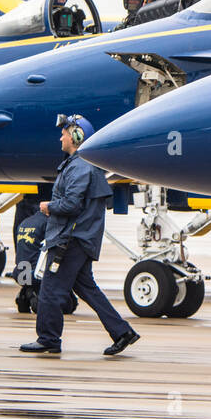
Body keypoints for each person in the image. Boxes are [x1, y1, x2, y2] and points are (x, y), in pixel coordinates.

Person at [20, 115, 140, 356]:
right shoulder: (82, 165)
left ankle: (48, 339)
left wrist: (48, 206)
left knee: (50, 290)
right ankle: (122, 332)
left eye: (64, 133)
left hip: (69, 240)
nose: (60, 138)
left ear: (76, 136)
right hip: (79, 239)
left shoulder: (80, 167)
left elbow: (72, 205)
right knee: (87, 289)